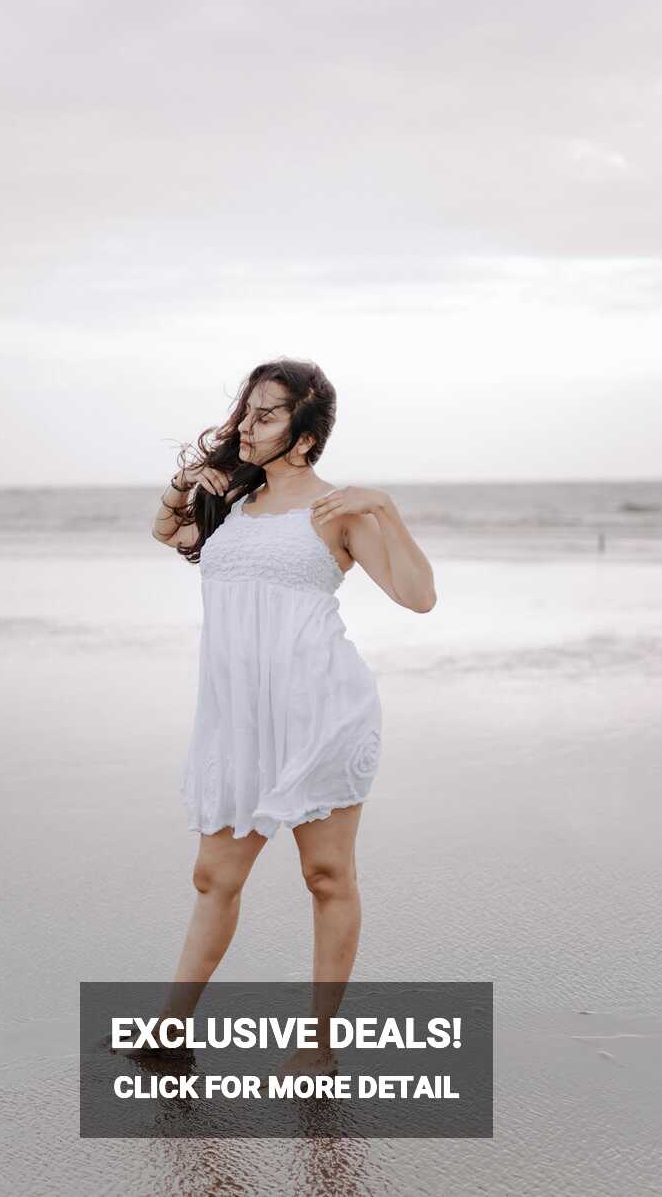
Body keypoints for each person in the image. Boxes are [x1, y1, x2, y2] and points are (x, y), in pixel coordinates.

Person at [151, 358, 436, 1076]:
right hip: (238, 723)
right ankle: (168, 1031)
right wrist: (185, 485)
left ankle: (316, 1044)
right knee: (214, 877)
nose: (246, 426)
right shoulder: (232, 507)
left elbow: (418, 596)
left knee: (327, 876)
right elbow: (168, 534)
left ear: (305, 438)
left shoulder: (335, 511)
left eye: (266, 415)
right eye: (245, 411)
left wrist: (386, 509)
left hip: (319, 713)